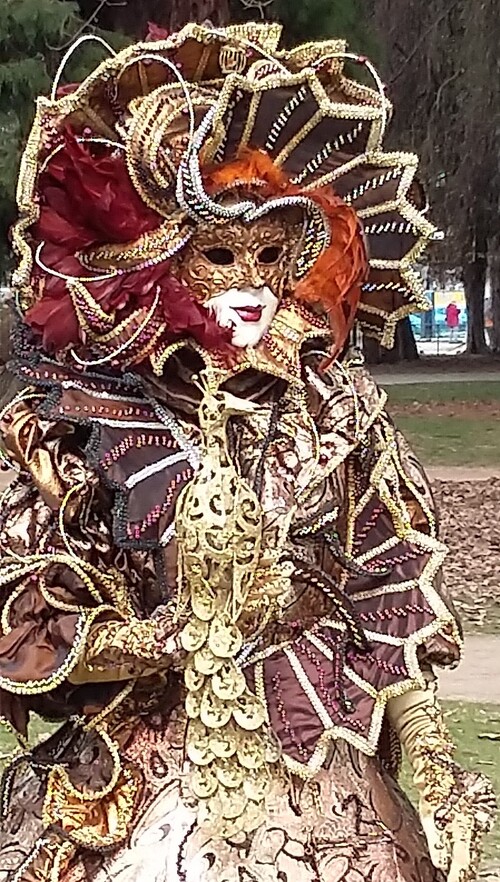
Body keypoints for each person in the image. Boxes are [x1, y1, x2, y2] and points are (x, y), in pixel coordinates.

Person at [0, 22, 494, 882]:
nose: (252, 285)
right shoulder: (80, 418)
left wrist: (432, 753)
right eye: (220, 256)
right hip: (148, 770)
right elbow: (30, 596)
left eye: (271, 257)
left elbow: (388, 583)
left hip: (324, 764)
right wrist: (163, 640)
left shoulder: (336, 405)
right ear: (156, 269)